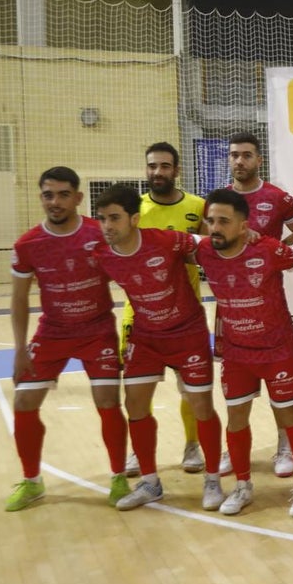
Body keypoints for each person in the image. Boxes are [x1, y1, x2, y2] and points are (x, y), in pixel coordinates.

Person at [93, 184, 225, 511]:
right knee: (134, 404)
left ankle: (212, 478)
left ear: (134, 219)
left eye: (114, 218)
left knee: (201, 406)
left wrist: (243, 240)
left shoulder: (166, 241)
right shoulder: (101, 253)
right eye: (102, 219)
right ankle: (150, 482)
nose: (107, 226)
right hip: (146, 337)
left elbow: (210, 244)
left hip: (187, 333)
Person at [4, 167, 127, 511]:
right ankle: (32, 482)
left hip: (97, 330)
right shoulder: (28, 244)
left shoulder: (98, 233)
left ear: (78, 197)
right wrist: (18, 349)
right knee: (24, 402)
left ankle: (118, 476)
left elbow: (129, 271)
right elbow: (17, 299)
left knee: (107, 400)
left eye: (62, 195)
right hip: (53, 332)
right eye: (47, 195)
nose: (54, 202)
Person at [195, 189, 293, 515]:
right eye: (211, 221)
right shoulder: (204, 250)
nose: (215, 227)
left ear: (243, 225)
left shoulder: (267, 249)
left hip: (277, 349)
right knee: (236, 418)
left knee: (291, 416)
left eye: (224, 221)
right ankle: (243, 486)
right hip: (236, 353)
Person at [120, 143, 212, 477]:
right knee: (136, 390)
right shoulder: (135, 210)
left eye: (164, 166)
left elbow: (211, 251)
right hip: (140, 315)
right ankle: (137, 451)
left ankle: (193, 445)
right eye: (152, 166)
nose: (157, 172)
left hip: (187, 316)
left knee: (191, 389)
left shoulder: (197, 206)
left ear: (176, 170)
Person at [226, 131, 293, 479]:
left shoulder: (277, 198)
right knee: (235, 388)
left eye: (246, 155)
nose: (240, 161)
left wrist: (276, 249)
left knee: (282, 389)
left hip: (271, 305)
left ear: (258, 159)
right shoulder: (218, 201)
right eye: (234, 155)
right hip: (232, 309)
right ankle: (235, 449)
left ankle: (285, 444)